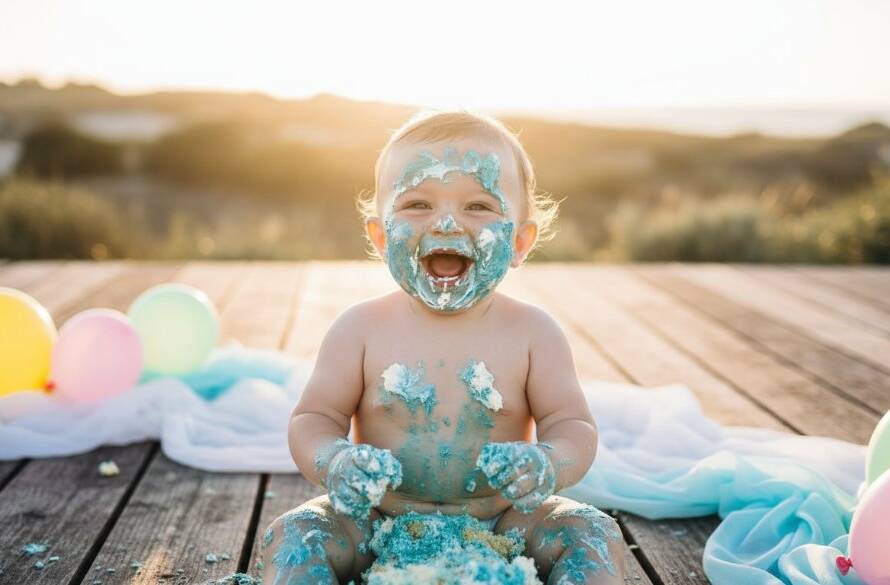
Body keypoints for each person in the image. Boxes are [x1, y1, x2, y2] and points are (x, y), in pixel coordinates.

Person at [260, 109, 626, 584]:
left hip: (503, 526)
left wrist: (548, 463)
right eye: (417, 205)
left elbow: (572, 425)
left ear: (519, 242)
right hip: (376, 522)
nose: (449, 223)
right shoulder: (360, 329)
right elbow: (314, 419)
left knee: (592, 532)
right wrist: (336, 461)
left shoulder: (534, 333)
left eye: (478, 206)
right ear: (379, 235)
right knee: (296, 534)